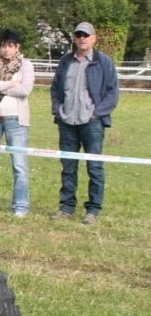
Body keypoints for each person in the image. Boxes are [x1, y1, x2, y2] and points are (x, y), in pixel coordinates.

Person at [50, 21, 120, 224]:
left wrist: (96, 114)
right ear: (75, 37)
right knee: (68, 167)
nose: (82, 38)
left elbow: (113, 93)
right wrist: (58, 110)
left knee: (95, 167)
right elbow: (55, 89)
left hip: (91, 123)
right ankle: (67, 207)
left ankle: (93, 210)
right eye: (79, 35)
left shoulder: (104, 62)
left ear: (94, 38)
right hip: (67, 122)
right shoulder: (65, 61)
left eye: (86, 35)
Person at [0, 29, 35, 216]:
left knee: (19, 164)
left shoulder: (26, 65)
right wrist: (11, 84)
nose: (6, 49)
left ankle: (21, 206)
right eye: (3, 45)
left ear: (17, 47)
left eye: (10, 46)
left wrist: (0, 88)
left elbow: (25, 89)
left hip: (16, 120)